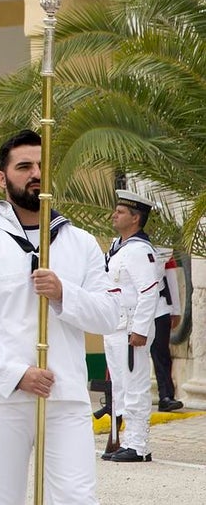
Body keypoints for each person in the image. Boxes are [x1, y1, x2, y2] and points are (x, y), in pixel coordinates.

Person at [0, 129, 120, 505]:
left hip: (65, 394)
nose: (36, 173)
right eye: (24, 167)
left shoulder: (82, 244)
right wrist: (17, 374)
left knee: (76, 499)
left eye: (42, 165)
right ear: (2, 178)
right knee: (0, 499)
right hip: (0, 396)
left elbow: (109, 315)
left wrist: (64, 294)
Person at [102, 190, 161, 463]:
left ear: (135, 218)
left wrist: (140, 329)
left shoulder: (139, 250)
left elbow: (149, 292)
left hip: (130, 329)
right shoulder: (119, 247)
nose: (114, 215)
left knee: (135, 387)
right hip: (115, 326)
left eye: (120, 212)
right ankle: (121, 441)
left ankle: (138, 446)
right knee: (119, 388)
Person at [150, 244, 183, 413]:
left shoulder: (163, 246)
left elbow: (170, 277)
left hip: (160, 307)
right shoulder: (120, 243)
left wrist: (175, 310)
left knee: (161, 353)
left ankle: (166, 396)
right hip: (131, 309)